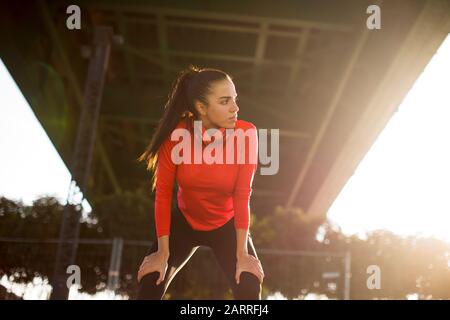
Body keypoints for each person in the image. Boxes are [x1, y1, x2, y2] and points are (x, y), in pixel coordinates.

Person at [136, 65, 264, 300]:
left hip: (226, 224)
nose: (236, 108)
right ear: (201, 108)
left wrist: (243, 254)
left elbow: (242, 194)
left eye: (235, 99)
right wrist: (162, 253)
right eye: (225, 101)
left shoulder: (247, 134)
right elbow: (163, 194)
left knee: (249, 286)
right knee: (151, 281)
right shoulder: (176, 136)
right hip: (184, 222)